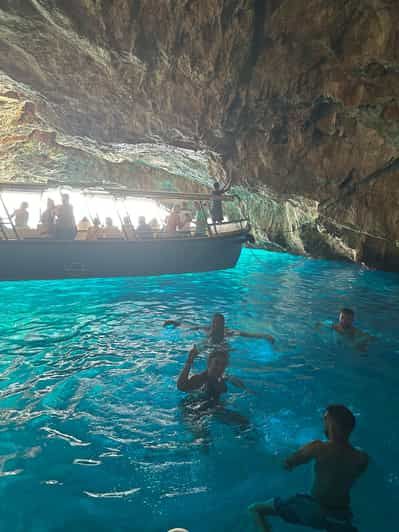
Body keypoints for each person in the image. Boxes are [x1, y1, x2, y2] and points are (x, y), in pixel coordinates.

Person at [248, 405, 369, 532]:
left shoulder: (318, 447)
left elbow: (288, 464)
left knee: (255, 509)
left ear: (329, 422)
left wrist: (278, 454)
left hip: (313, 509)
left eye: (324, 420)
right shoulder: (361, 457)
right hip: (340, 515)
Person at [164, 313, 275, 345]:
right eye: (215, 323)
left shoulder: (228, 332)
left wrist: (265, 336)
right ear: (212, 324)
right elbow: (190, 326)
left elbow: (249, 335)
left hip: (221, 346)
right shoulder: (207, 329)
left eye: (219, 323)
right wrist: (176, 323)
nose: (216, 325)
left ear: (223, 325)